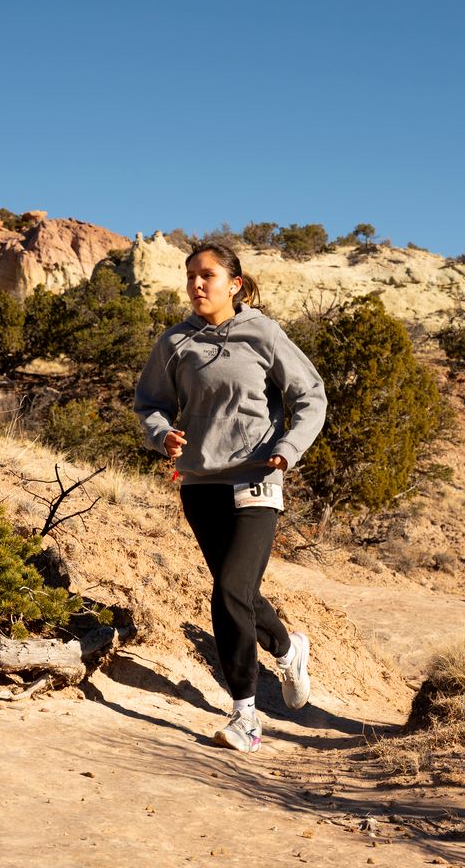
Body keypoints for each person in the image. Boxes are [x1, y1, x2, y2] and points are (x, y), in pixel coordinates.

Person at [134, 241, 328, 752]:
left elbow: (310, 395)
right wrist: (162, 434)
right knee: (233, 588)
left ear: (234, 284)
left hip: (258, 476)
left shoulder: (262, 332)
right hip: (200, 482)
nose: (197, 285)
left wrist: (289, 448)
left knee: (228, 591)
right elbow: (149, 402)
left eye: (208, 275)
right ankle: (288, 650)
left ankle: (245, 715)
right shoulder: (175, 341)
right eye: (191, 276)